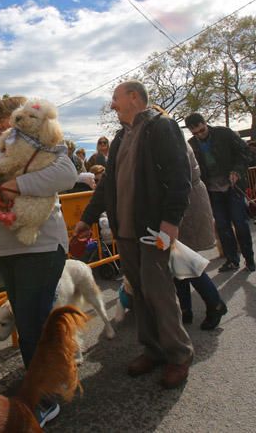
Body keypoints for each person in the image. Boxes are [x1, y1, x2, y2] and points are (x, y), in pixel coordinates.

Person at [0, 96, 76, 426]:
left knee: (32, 325)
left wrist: (15, 185)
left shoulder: (45, 142)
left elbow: (66, 174)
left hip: (39, 246)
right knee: (29, 320)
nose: (0, 125)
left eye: (4, 118)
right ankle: (43, 381)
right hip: (7, 247)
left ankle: (46, 397)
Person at [75, 80, 194, 390]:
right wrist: (88, 218)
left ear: (133, 97)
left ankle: (179, 356)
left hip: (153, 229)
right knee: (139, 293)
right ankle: (153, 350)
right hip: (125, 232)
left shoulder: (162, 127)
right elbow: (107, 185)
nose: (112, 105)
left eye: (115, 98)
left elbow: (180, 176)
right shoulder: (119, 138)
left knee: (159, 293)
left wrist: (171, 221)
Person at [185, 113, 256, 272]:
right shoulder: (191, 144)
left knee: (240, 223)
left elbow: (244, 152)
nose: (199, 134)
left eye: (201, 129)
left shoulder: (224, 133)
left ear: (205, 123)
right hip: (212, 190)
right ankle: (231, 260)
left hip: (233, 186)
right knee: (222, 226)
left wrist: (237, 171)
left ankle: (249, 258)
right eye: (194, 132)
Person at [176, 145, 228, 330]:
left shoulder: (167, 135)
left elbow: (176, 178)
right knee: (177, 261)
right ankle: (185, 309)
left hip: (185, 205)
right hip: (186, 201)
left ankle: (214, 303)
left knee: (184, 261)